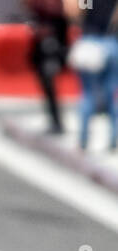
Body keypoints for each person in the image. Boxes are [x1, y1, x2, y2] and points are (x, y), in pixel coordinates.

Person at [64, 0, 118, 150]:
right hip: (110, 42)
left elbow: (75, 14)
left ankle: (83, 139)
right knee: (112, 94)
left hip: (90, 41)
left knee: (87, 94)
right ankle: (113, 138)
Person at [24, 0, 69, 135]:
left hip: (52, 52)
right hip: (42, 52)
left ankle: (57, 122)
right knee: (47, 89)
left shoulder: (57, 14)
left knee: (50, 88)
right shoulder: (39, 12)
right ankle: (54, 121)